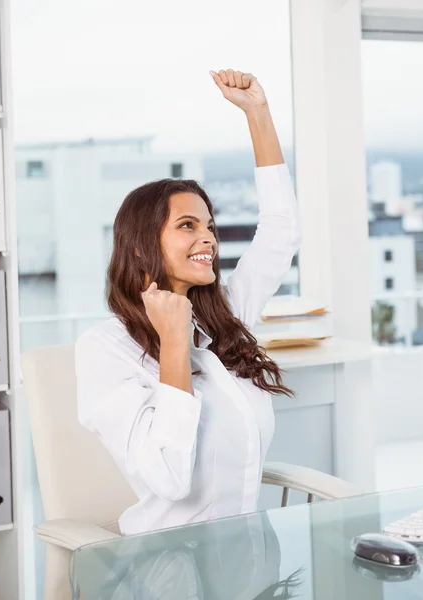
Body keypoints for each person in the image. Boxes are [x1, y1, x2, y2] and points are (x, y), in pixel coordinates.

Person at [75, 69, 302, 536]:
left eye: (210, 226)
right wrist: (173, 340)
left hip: (252, 553)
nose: (208, 239)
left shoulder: (222, 318)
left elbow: (281, 230)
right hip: (169, 567)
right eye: (187, 226)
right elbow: (170, 478)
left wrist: (257, 113)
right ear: (141, 245)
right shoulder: (105, 348)